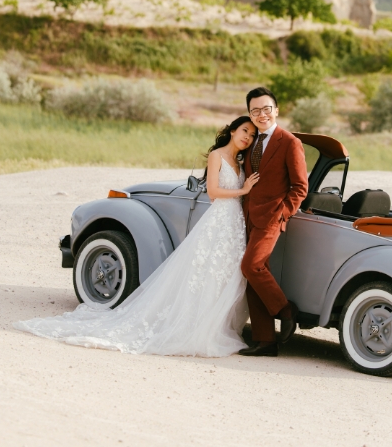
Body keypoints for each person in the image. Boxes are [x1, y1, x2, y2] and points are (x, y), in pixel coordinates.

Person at [13, 116, 260, 357]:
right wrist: (244, 189)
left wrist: (245, 188)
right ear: (232, 130)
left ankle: (214, 326)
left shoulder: (239, 162)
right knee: (206, 271)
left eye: (251, 135)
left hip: (232, 223)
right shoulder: (218, 156)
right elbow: (214, 192)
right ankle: (198, 327)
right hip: (218, 219)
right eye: (244, 131)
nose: (247, 137)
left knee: (223, 273)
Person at [237, 86, 309, 357]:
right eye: (255, 110)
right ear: (250, 114)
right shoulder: (250, 141)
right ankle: (265, 341)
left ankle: (286, 310)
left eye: (266, 109)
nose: (261, 114)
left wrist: (282, 214)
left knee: (251, 266)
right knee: (252, 277)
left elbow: (300, 187)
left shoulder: (289, 142)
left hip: (271, 218)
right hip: (247, 216)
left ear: (276, 111)